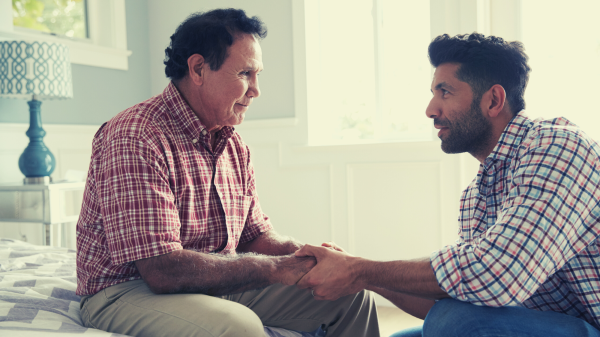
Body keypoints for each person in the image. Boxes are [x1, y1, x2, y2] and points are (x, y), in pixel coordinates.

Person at [75, 9, 379, 337]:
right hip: (126, 291)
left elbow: (254, 236)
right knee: (239, 327)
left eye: (257, 74)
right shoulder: (135, 135)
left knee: (351, 297)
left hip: (212, 282)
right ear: (198, 69)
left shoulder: (233, 143)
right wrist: (278, 269)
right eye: (245, 73)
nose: (256, 90)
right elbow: (161, 270)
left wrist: (308, 256)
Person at [295, 33, 600, 337]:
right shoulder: (477, 195)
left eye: (445, 92)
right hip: (538, 324)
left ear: (493, 100)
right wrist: (359, 277)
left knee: (457, 322)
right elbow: (460, 294)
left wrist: (360, 268)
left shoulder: (558, 149)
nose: (430, 109)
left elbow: (494, 275)